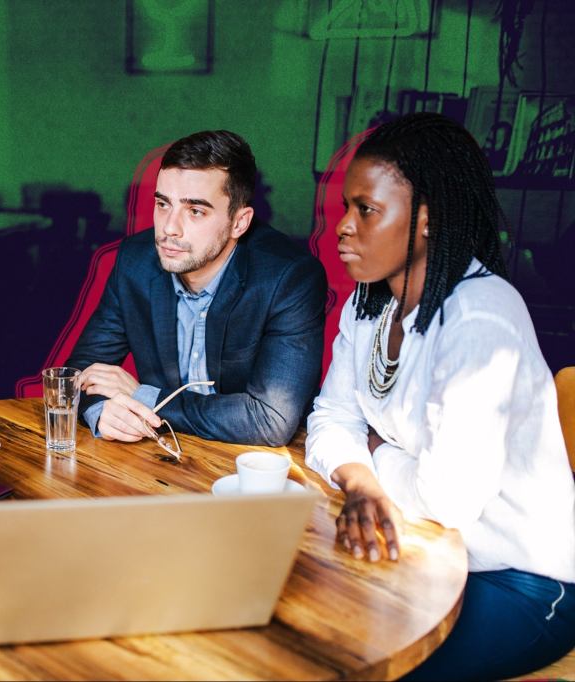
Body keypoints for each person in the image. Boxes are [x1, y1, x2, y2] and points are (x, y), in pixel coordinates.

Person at [304, 112, 575, 680]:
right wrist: (362, 483)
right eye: (346, 207)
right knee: (298, 626)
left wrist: (373, 449)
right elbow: (329, 417)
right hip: (420, 547)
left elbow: (446, 498)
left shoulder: (481, 315)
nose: (343, 227)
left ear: (427, 218)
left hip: (519, 578)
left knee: (359, 664)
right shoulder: (368, 304)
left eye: (366, 210)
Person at [66, 130, 327, 446]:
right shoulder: (136, 262)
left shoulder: (289, 278)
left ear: (239, 222)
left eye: (195, 211)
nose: (169, 228)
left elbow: (269, 419)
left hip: (249, 462)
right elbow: (79, 374)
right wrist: (101, 412)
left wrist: (143, 396)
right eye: (163, 204)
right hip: (158, 451)